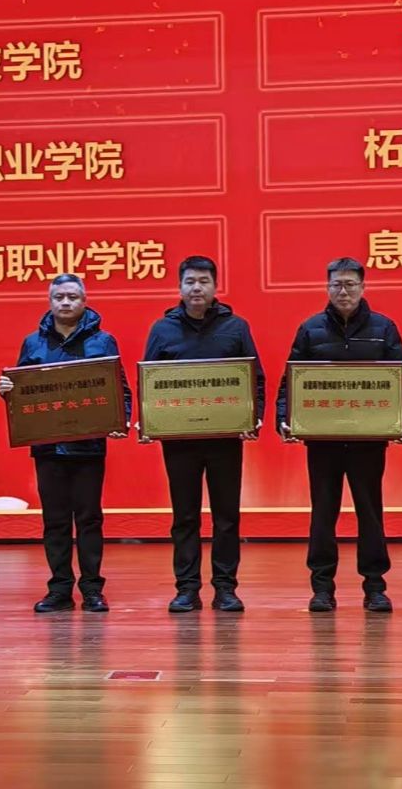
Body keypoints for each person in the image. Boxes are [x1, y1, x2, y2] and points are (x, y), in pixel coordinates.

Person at [276, 257, 402, 614]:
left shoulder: (383, 328)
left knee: (370, 513)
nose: (344, 291)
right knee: (323, 513)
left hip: (367, 441)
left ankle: (375, 587)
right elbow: (290, 382)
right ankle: (322, 588)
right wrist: (284, 417)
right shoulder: (310, 329)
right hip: (322, 441)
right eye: (337, 284)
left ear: (362, 287)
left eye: (350, 284)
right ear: (327, 288)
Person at [0, 274, 131, 615]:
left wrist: (121, 420)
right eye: (59, 297)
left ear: (84, 301)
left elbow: (121, 389)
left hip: (88, 447)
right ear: (50, 301)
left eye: (72, 296)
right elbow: (22, 394)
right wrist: (7, 391)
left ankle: (92, 589)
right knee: (55, 521)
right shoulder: (33, 343)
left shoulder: (103, 341)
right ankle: (59, 589)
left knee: (89, 520)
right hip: (48, 448)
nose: (66, 302)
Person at [142, 255, 264, 614]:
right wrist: (149, 421)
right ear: (180, 287)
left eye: (204, 281)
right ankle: (187, 588)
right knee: (185, 517)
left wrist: (253, 417)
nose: (197, 288)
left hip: (225, 440)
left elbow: (254, 378)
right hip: (180, 441)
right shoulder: (162, 330)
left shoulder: (236, 327)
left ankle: (226, 588)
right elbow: (150, 381)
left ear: (215, 286)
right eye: (190, 281)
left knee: (227, 516)